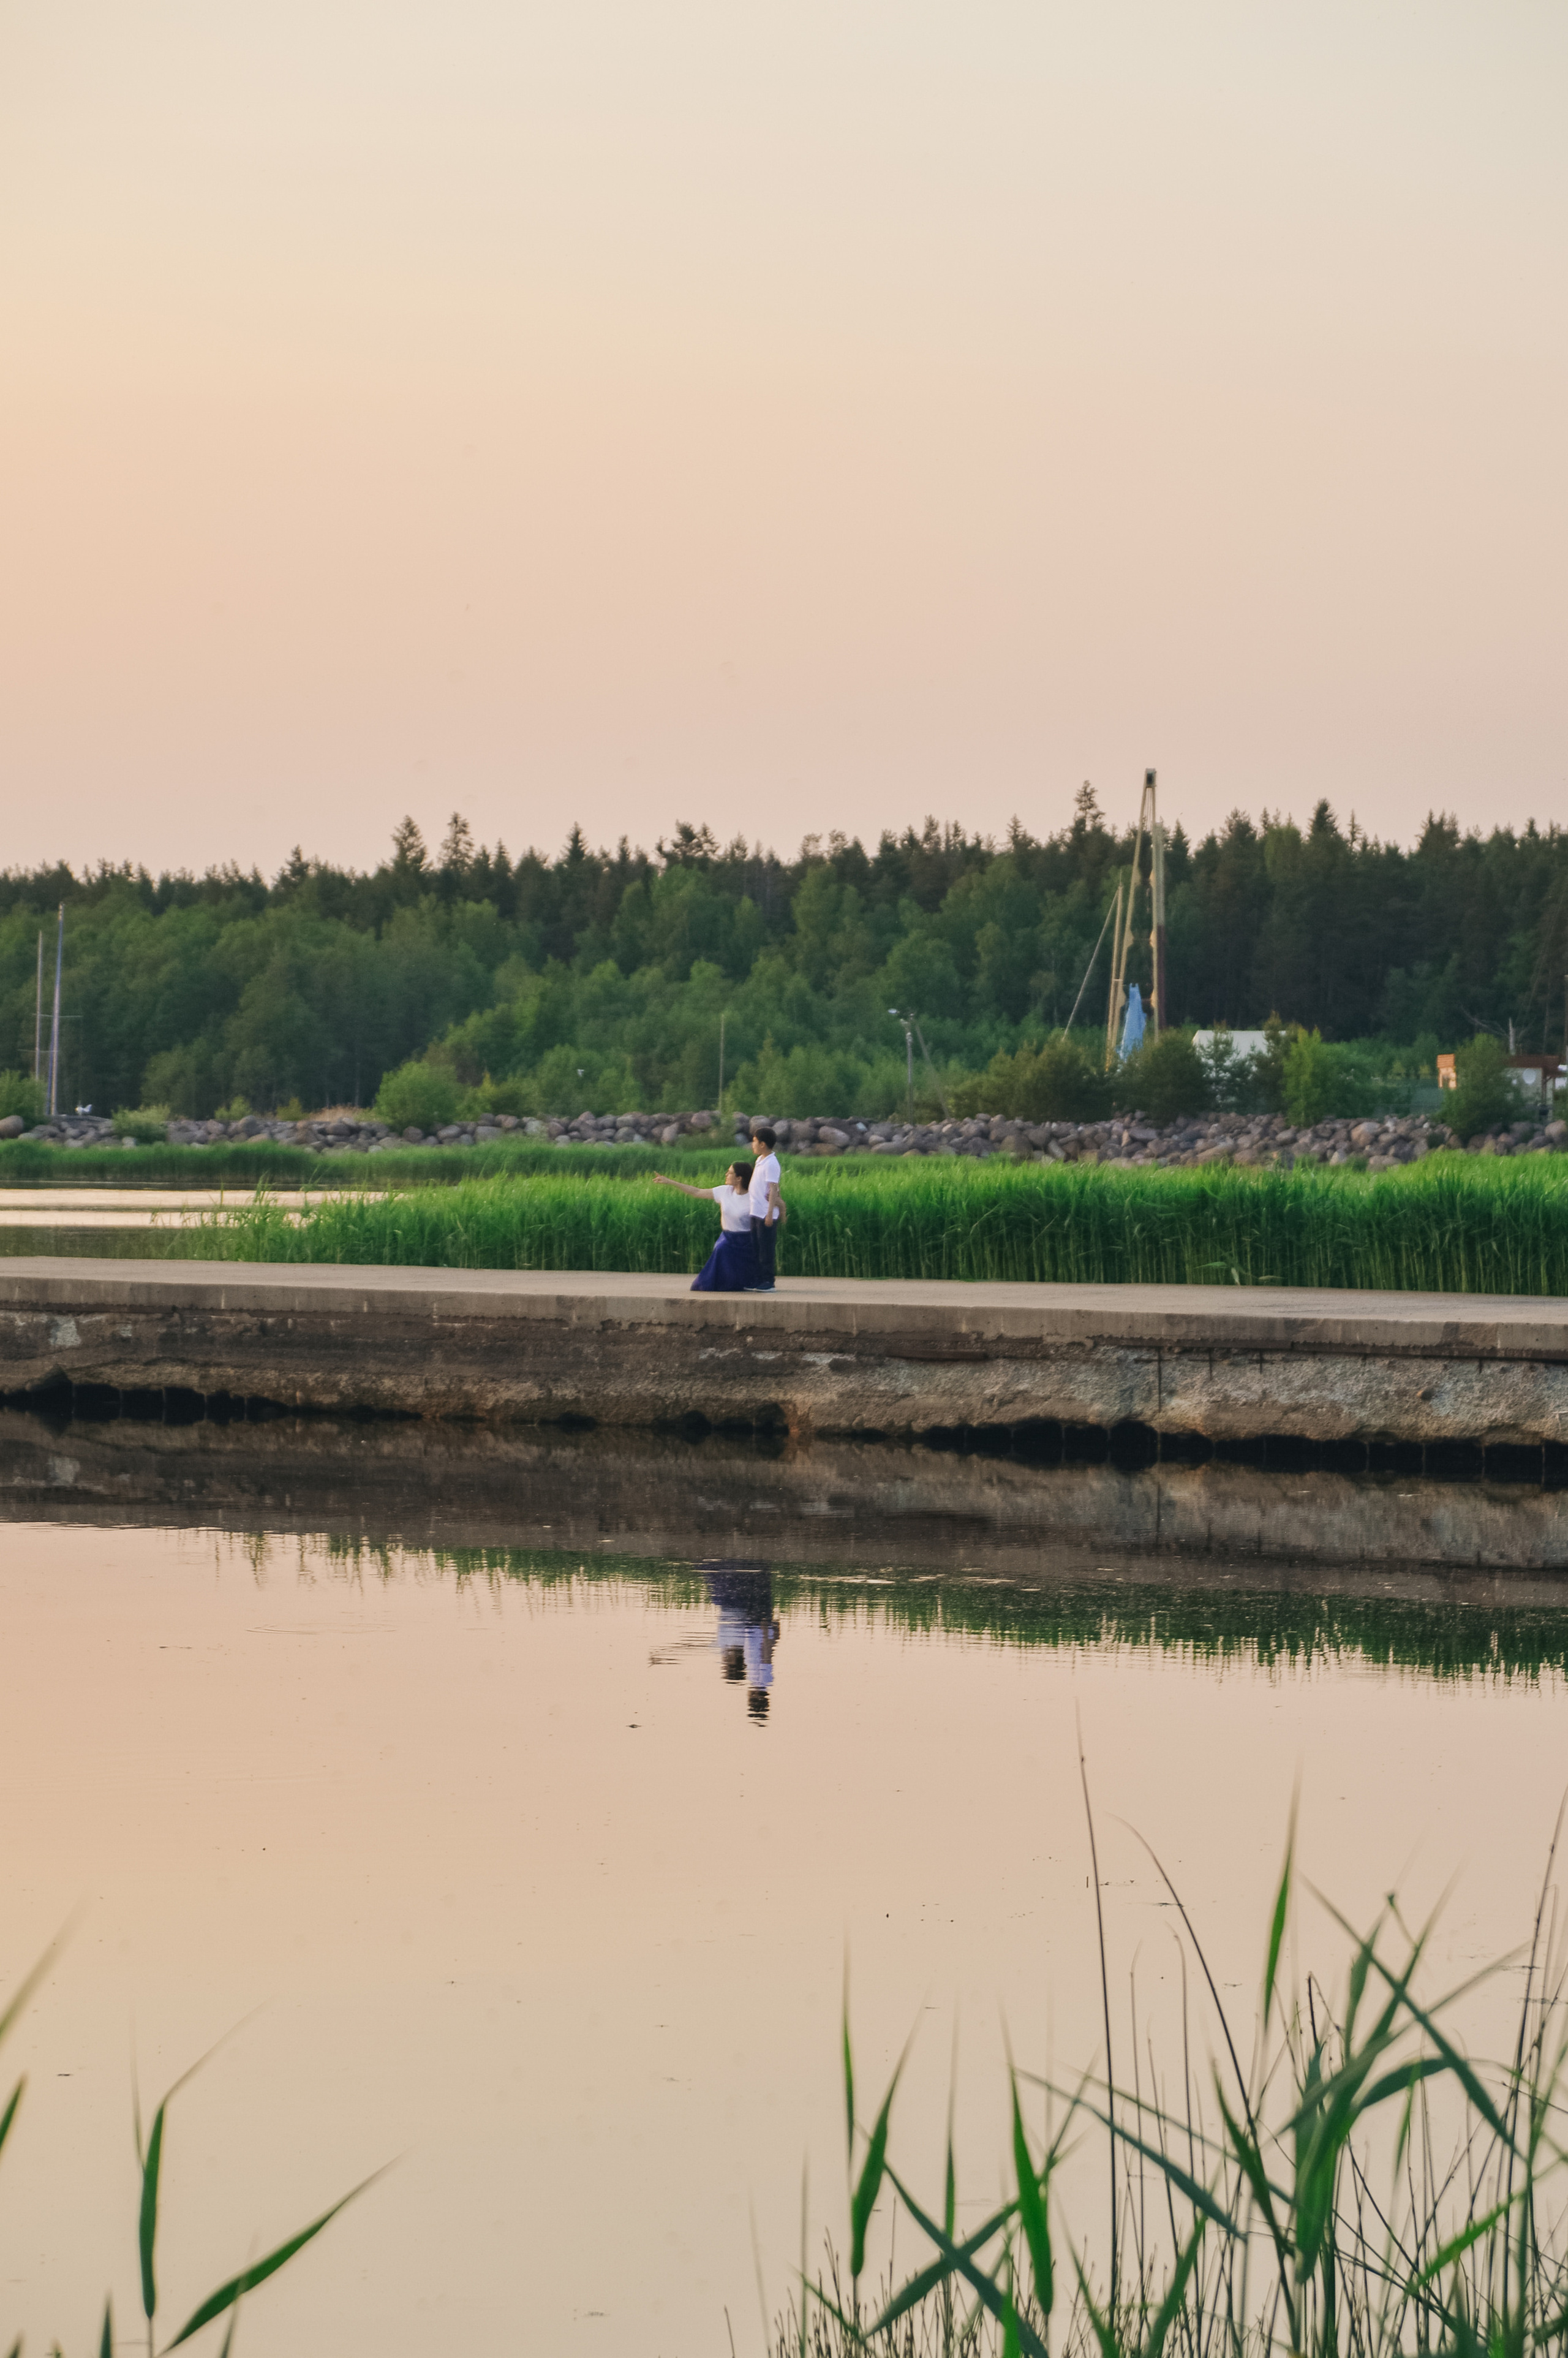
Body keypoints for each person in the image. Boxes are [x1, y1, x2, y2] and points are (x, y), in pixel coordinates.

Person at [652, 1158, 757, 1291]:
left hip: (746, 1239)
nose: (726, 1175)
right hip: (728, 1237)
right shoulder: (724, 1191)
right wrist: (670, 1182)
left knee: (727, 1251)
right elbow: (697, 1192)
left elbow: (770, 1202)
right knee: (722, 1248)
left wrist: (778, 1206)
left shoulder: (753, 1197)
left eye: (730, 1173)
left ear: (739, 1178)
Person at [747, 1124, 785, 1293]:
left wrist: (770, 1214)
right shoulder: (760, 1160)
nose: (752, 1144)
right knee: (756, 1248)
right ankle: (757, 1279)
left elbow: (774, 1188)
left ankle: (768, 1281)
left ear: (763, 1144)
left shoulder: (771, 1163)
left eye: (755, 1141)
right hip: (755, 1211)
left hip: (765, 1213)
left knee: (765, 1249)